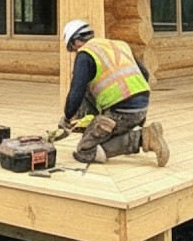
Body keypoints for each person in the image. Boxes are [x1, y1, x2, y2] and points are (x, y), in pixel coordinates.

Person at [60, 19, 170, 166]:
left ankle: (144, 138)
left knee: (85, 151)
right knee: (89, 87)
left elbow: (76, 91)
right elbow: (144, 74)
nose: (75, 52)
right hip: (141, 107)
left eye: (72, 49)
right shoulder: (119, 45)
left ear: (75, 41)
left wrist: (67, 116)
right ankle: (106, 124)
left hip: (121, 111)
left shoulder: (85, 55)